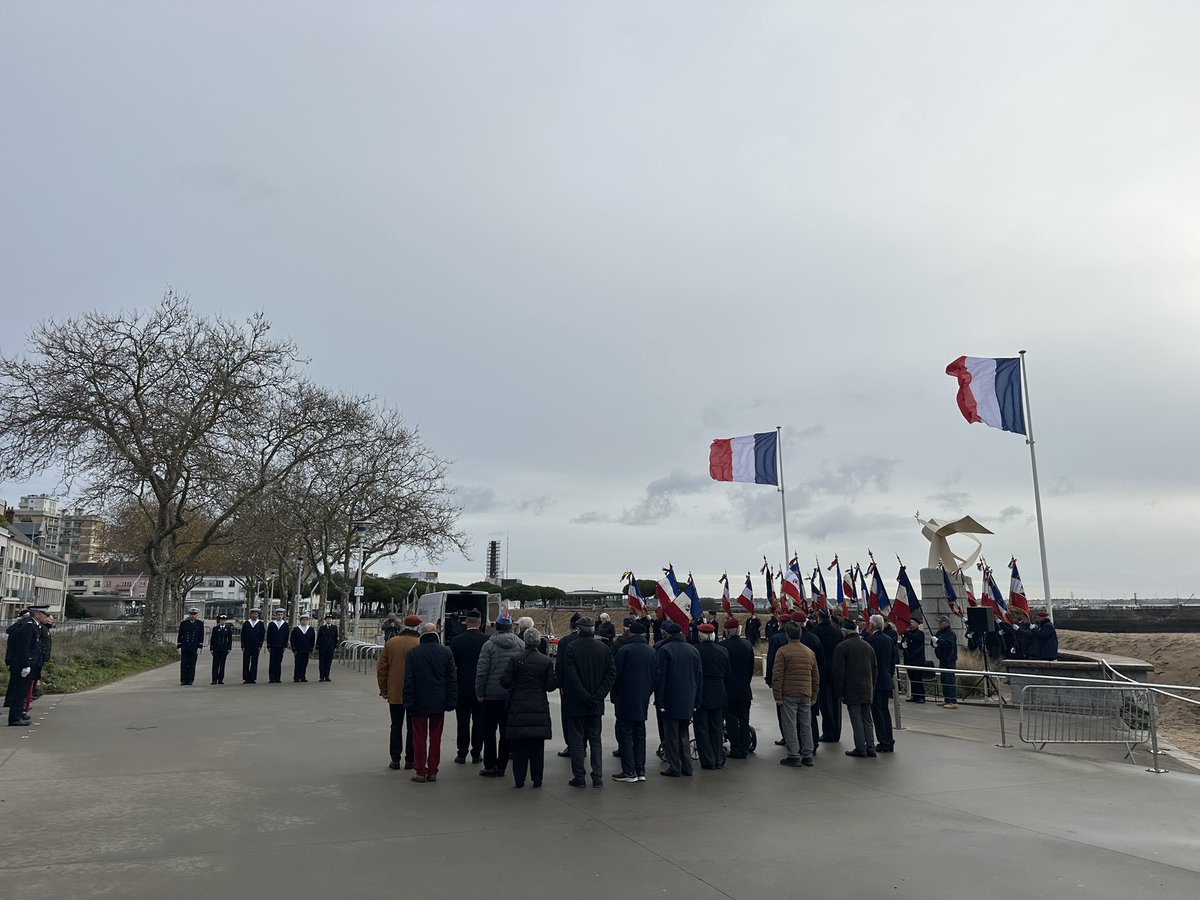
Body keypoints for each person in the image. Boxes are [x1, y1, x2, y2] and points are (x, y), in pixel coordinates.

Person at [561, 616, 616, 788]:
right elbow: (611, 674)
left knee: (577, 741)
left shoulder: (571, 647)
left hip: (576, 702)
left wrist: (584, 695)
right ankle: (597, 777)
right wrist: (598, 695)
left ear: (578, 629)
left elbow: (570, 676)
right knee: (595, 740)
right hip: (595, 703)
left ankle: (579, 777)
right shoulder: (603, 648)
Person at [501, 627, 556, 788]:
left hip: (518, 705)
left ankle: (519, 779)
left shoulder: (515, 659)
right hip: (539, 705)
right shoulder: (546, 661)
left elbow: (504, 681)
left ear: (525, 641)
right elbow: (550, 686)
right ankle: (537, 779)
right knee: (537, 747)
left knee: (519, 746)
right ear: (539, 642)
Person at [402, 622, 457, 783]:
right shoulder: (446, 652)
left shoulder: (413, 653)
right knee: (435, 737)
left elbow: (409, 680)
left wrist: (408, 701)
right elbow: (451, 679)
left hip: (418, 702)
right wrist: (451, 700)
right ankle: (433, 771)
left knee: (419, 738)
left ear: (422, 634)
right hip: (438, 701)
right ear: (436, 634)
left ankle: (420, 771)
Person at [475, 613, 524, 778]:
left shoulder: (488, 645)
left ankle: (490, 765)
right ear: (511, 626)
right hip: (511, 695)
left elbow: (482, 672)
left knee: (489, 731)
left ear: (496, 627)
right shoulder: (520, 645)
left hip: (491, 695)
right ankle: (502, 765)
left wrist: (480, 693)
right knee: (506, 731)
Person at [654, 621, 702, 777]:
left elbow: (661, 678)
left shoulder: (665, 650)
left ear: (667, 634)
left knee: (671, 736)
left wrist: (659, 701)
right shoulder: (693, 650)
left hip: (670, 699)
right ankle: (687, 767)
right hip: (689, 698)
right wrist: (697, 700)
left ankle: (674, 767)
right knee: (684, 734)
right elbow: (699, 677)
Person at [611, 622, 657, 782]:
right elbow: (655, 676)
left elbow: (615, 675)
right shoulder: (652, 652)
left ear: (630, 633)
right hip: (643, 697)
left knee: (625, 733)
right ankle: (640, 770)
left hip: (625, 697)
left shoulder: (625, 650)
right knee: (640, 734)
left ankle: (629, 771)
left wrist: (615, 693)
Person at [771, 622, 820, 767]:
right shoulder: (809, 652)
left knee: (790, 724)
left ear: (787, 635)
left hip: (789, 693)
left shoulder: (782, 651)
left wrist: (777, 696)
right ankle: (808, 754)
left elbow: (777, 675)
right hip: (806, 692)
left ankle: (793, 754)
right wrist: (814, 694)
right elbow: (815, 675)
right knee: (806, 724)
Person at [376, 615, 421, 770]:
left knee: (396, 725)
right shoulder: (420, 643)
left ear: (403, 626)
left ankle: (395, 759)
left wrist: (384, 690)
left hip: (395, 691)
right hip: (415, 693)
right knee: (412, 727)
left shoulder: (391, 643)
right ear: (418, 627)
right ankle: (411, 759)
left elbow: (382, 669)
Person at [831, 620, 877, 758]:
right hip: (867, 687)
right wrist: (872, 686)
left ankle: (860, 748)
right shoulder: (868, 646)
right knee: (867, 719)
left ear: (844, 632)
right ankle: (871, 746)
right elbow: (875, 669)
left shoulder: (842, 647)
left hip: (852, 688)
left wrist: (838, 691)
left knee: (856, 719)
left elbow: (838, 671)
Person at [450, 612, 488, 765]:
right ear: (480, 623)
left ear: (466, 622)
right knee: (479, 722)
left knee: (462, 722)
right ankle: (476, 752)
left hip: (462, 686)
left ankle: (461, 753)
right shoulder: (486, 640)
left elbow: (452, 665)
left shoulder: (456, 641)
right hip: (480, 688)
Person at [6, 606, 50, 726]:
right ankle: (14, 717)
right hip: (23, 665)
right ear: (36, 614)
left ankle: (19, 713)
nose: (46, 616)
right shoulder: (29, 627)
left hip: (31, 664)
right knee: (19, 692)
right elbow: (24, 648)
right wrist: (26, 664)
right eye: (44, 613)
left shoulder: (35, 626)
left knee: (23, 691)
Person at [695, 623, 730, 770]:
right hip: (719, 692)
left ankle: (708, 760)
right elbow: (728, 673)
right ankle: (718, 758)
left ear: (700, 636)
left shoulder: (696, 651)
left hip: (701, 693)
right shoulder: (723, 651)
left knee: (702, 728)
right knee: (716, 728)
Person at [720, 618, 755, 759]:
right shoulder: (747, 645)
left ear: (727, 631)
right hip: (745, 689)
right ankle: (745, 747)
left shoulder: (723, 646)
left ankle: (736, 748)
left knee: (731, 721)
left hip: (729, 690)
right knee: (744, 720)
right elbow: (751, 668)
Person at [864, 614, 898, 753]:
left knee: (877, 713)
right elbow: (892, 660)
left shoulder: (871, 640)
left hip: (876, 680)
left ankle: (883, 741)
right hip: (886, 678)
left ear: (871, 625)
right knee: (885, 711)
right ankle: (888, 739)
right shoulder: (889, 639)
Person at [814, 610, 844, 741]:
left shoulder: (816, 632)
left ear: (819, 618)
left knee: (825, 703)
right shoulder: (837, 632)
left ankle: (828, 732)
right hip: (836, 669)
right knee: (835, 702)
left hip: (822, 669)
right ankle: (836, 732)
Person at [554, 618, 581, 757]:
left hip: (568, 685)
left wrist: (560, 684)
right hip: (587, 685)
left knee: (568, 717)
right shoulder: (592, 642)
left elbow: (559, 665)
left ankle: (571, 745)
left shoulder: (564, 641)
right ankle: (582, 745)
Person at [932, 616, 959, 708]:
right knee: (944, 680)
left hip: (949, 659)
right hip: (942, 659)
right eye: (939, 622)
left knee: (949, 680)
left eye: (941, 622)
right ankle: (947, 699)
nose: (939, 624)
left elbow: (948, 646)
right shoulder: (940, 632)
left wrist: (938, 642)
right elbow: (935, 641)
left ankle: (953, 701)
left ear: (947, 622)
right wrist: (934, 643)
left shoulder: (950, 634)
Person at [900, 620, 929, 703]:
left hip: (917, 661)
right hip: (909, 661)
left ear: (917, 624)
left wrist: (905, 632)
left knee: (917, 679)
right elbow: (901, 644)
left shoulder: (919, 633)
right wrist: (902, 645)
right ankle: (914, 695)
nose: (911, 624)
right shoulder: (907, 635)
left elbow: (915, 638)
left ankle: (921, 696)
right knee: (912, 679)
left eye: (912, 622)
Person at [176, 608, 204, 686]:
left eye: (194, 614)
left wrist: (200, 647)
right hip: (185, 646)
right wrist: (179, 646)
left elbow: (201, 636)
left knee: (192, 664)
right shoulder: (184, 623)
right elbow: (180, 635)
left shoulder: (200, 624)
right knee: (184, 664)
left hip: (194, 647)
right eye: (191, 614)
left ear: (197, 615)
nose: (193, 615)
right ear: (189, 615)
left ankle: (190, 679)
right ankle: (183, 679)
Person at [266, 608, 290, 684]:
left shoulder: (285, 624)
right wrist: (268, 646)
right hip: (273, 646)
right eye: (278, 615)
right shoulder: (272, 624)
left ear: (283, 615)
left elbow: (286, 636)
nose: (280, 616)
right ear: (276, 615)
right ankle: (272, 678)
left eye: (281, 615)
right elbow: (269, 635)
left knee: (279, 662)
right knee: (272, 662)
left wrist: (285, 646)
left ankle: (277, 678)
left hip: (281, 646)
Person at [241, 607, 265, 683]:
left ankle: (252, 678)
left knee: (254, 662)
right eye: (253, 614)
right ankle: (246, 678)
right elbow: (243, 635)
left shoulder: (260, 624)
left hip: (256, 645)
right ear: (250, 615)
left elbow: (262, 634)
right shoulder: (246, 623)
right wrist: (242, 645)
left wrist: (260, 645)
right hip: (247, 645)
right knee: (246, 662)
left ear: (258, 615)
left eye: (256, 614)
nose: (254, 615)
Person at [290, 613, 316, 682]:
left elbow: (312, 639)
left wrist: (311, 648)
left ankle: (303, 677)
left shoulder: (310, 629)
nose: (304, 621)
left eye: (306, 620)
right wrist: (294, 649)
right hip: (298, 650)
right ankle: (296, 677)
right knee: (298, 663)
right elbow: (292, 639)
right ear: (300, 621)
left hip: (306, 649)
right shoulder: (296, 629)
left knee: (304, 663)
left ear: (308, 621)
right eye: (303, 620)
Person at [209, 614, 234, 684]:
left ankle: (221, 679)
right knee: (215, 664)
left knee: (222, 664)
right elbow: (212, 639)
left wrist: (229, 648)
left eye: (224, 620)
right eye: (221, 620)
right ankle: (214, 679)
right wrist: (211, 648)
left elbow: (230, 639)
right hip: (216, 648)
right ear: (219, 621)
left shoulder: (228, 628)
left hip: (224, 648)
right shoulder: (215, 629)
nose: (223, 621)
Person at [316, 613, 339, 682]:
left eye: (330, 619)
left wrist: (335, 645)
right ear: (325, 620)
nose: (329, 620)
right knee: (322, 662)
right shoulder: (322, 628)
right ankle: (321, 677)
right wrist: (317, 646)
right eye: (327, 619)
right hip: (323, 647)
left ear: (332, 620)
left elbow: (335, 638)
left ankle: (327, 676)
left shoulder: (334, 628)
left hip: (330, 647)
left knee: (328, 662)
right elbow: (319, 637)